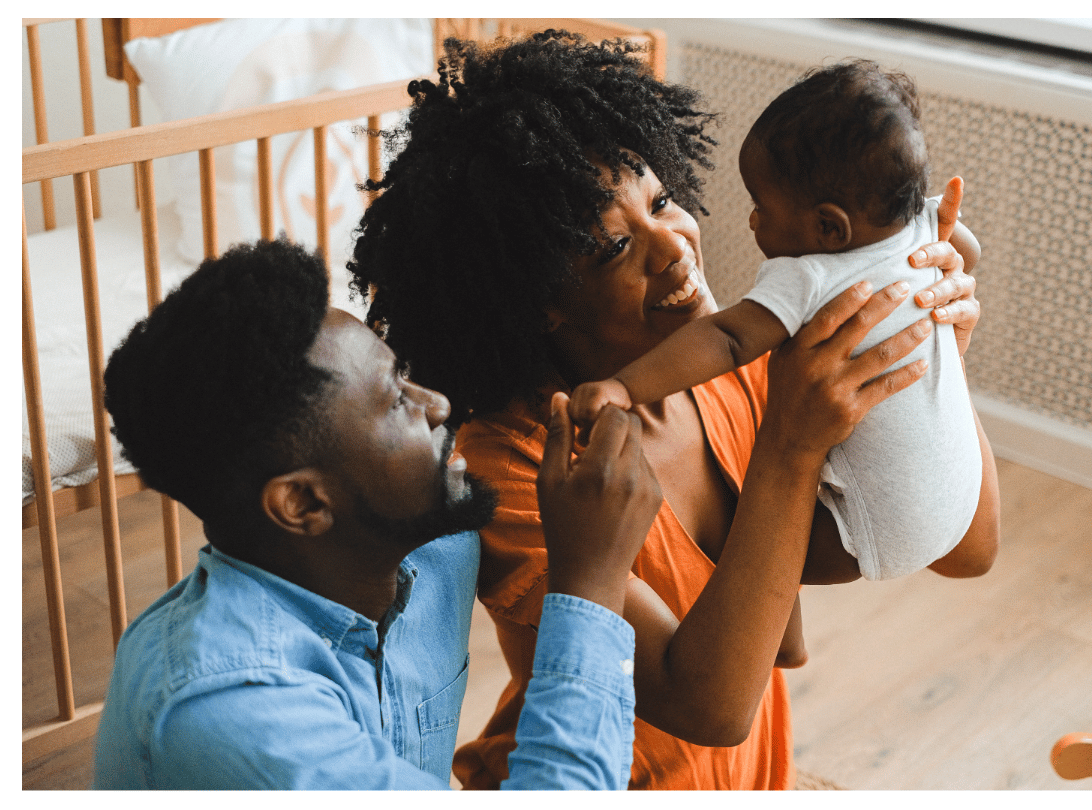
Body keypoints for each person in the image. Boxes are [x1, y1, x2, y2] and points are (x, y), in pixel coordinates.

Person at [348, 32, 1000, 790]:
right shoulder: (513, 470)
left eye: (662, 202)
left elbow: (967, 549)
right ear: (539, 305)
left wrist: (934, 352)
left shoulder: (725, 365)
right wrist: (789, 449)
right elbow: (712, 706)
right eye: (614, 249)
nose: (676, 246)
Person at [91, 238, 663, 789]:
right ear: (303, 504)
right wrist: (590, 583)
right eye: (397, 401)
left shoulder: (430, 550)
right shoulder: (231, 709)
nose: (437, 405)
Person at [570, 60, 995, 582]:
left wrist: (619, 387)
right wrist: (940, 268)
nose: (752, 219)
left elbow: (726, 339)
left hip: (872, 531)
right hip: (954, 495)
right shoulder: (920, 224)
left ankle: (767, 613)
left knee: (757, 553)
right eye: (616, 245)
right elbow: (966, 249)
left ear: (828, 227)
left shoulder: (810, 277)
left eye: (761, 206)